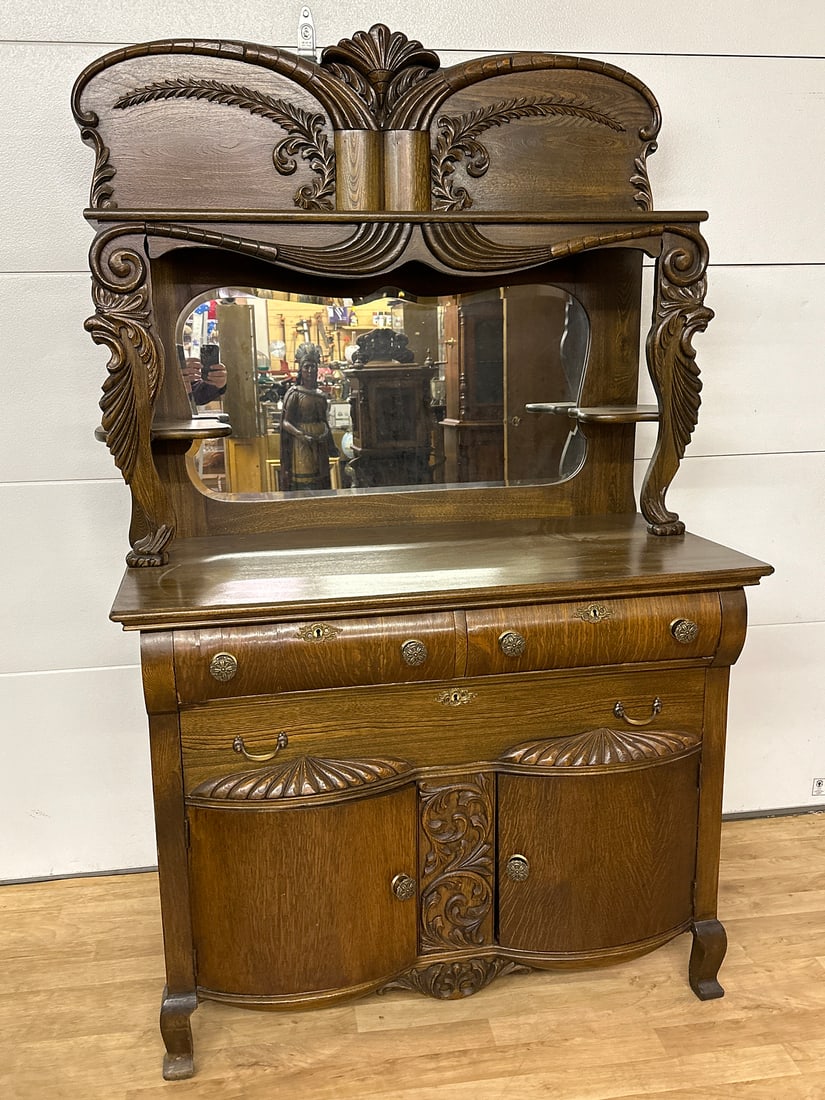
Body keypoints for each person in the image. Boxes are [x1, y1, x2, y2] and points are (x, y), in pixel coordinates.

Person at [280, 344, 336, 491]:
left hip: (320, 442)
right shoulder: (295, 394)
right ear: (301, 369)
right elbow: (286, 422)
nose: (310, 371)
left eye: (313, 366)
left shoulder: (321, 395)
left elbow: (324, 420)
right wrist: (301, 435)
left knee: (321, 480)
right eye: (306, 367)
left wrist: (329, 440)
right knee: (306, 482)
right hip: (302, 443)